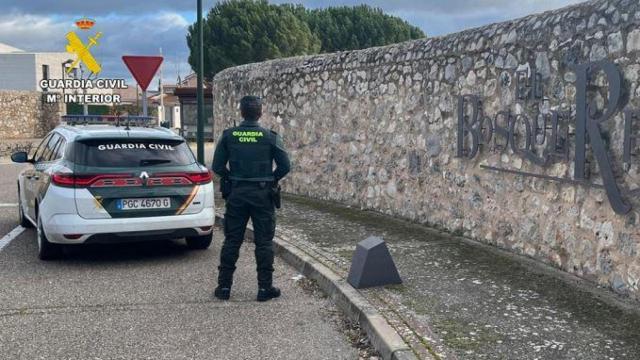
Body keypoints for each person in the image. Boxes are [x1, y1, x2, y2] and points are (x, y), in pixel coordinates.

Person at [211, 95, 291, 302]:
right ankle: (264, 289)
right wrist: (270, 179)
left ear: (241, 112)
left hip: (237, 194)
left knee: (232, 240)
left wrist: (233, 178)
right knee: (264, 242)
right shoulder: (270, 136)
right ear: (260, 112)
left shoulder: (229, 135)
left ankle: (224, 287)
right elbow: (285, 166)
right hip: (263, 195)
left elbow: (218, 167)